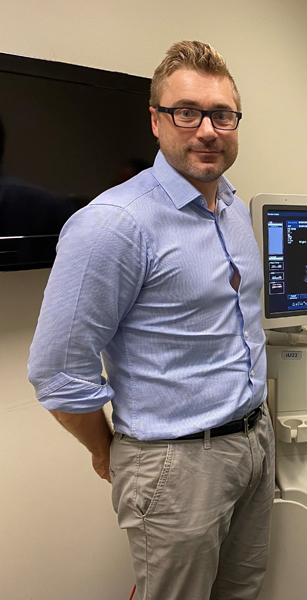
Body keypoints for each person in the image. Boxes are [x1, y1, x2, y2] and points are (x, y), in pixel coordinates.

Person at [28, 41, 274, 600]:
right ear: (156, 121)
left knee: (243, 590)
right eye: (186, 112)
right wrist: (106, 446)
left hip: (254, 442)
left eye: (222, 115)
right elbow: (57, 372)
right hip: (176, 463)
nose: (207, 129)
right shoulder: (113, 225)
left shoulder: (234, 208)